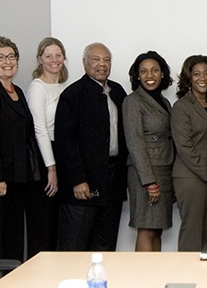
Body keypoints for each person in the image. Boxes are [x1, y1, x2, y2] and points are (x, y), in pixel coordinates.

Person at [0, 36, 43, 288]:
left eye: (11, 56)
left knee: (13, 239)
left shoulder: (18, 91)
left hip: (18, 180)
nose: (7, 62)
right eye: (0, 58)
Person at [54, 43, 128, 251]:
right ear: (85, 62)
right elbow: (65, 141)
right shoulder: (73, 95)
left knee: (105, 246)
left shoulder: (117, 92)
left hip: (112, 182)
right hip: (83, 185)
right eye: (96, 59)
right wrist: (78, 180)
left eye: (106, 60)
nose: (102, 64)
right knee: (74, 246)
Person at [171, 55, 207, 252]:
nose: (202, 78)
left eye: (206, 73)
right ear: (189, 78)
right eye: (196, 74)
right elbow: (184, 147)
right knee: (192, 234)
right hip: (190, 179)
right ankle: (187, 278)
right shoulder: (181, 107)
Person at [123, 51, 176, 252]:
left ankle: (155, 277)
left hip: (163, 171)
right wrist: (149, 181)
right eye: (143, 71)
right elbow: (134, 142)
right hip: (144, 175)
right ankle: (142, 280)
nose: (149, 75)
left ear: (162, 73)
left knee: (157, 229)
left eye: (154, 70)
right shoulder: (133, 101)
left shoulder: (164, 102)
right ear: (137, 75)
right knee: (146, 229)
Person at [24, 37, 70, 254]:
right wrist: (51, 168)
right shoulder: (37, 88)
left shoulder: (65, 87)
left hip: (61, 155)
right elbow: (39, 130)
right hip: (44, 161)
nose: (54, 60)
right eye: (48, 55)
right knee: (42, 225)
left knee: (58, 226)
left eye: (58, 55)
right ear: (39, 59)